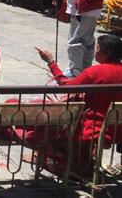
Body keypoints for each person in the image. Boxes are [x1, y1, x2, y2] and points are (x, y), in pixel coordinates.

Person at [32, 35, 122, 176]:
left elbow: (66, 86)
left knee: (52, 126)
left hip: (95, 128)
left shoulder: (96, 72)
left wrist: (51, 62)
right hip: (118, 129)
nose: (94, 52)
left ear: (106, 52)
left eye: (97, 48)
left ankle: (74, 166)